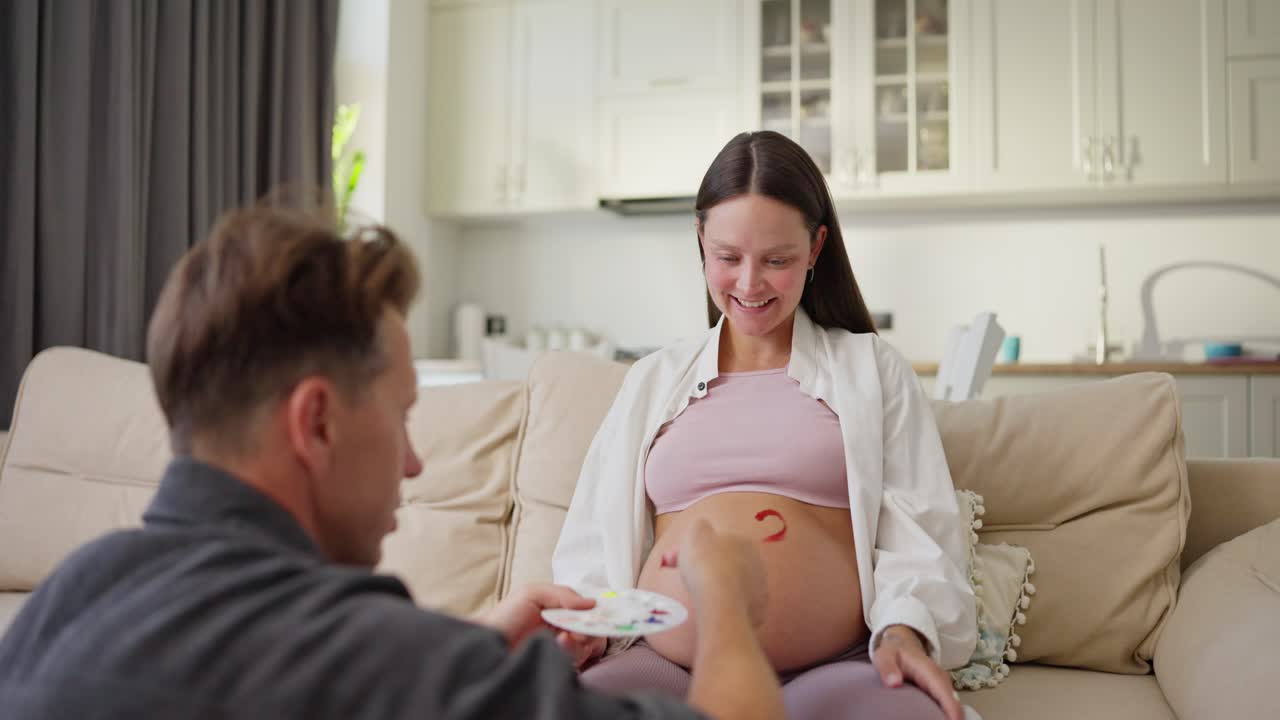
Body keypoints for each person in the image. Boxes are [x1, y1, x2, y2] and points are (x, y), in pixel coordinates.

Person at [0, 206, 785, 720]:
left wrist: (474, 644)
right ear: (316, 422)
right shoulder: (380, 660)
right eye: (402, 415)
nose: (412, 464)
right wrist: (724, 606)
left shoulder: (74, 592)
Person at [553, 131, 977, 720]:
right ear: (701, 241)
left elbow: (920, 531)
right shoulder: (653, 380)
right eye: (728, 258)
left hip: (834, 668)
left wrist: (906, 630)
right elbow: (592, 540)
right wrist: (586, 627)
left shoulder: (872, 369)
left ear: (816, 247)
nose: (749, 284)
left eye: (776, 260)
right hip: (668, 668)